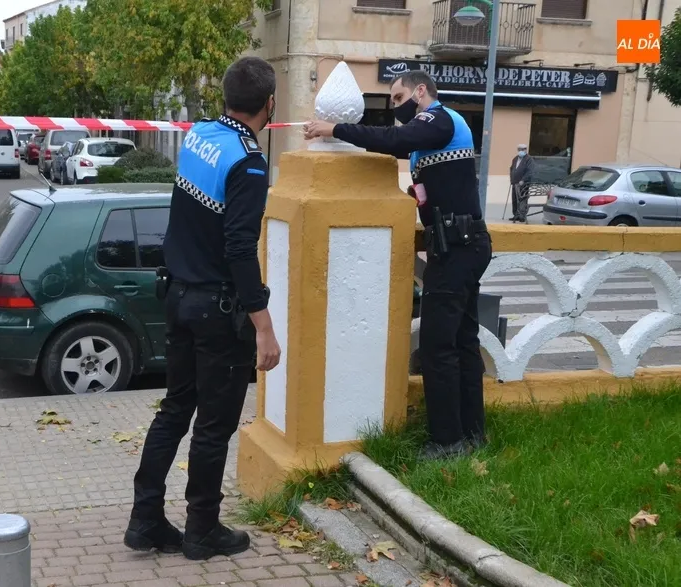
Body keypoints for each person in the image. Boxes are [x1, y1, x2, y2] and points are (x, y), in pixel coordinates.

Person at [124, 56, 282, 560]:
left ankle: (145, 519)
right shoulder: (249, 163)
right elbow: (239, 249)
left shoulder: (199, 137)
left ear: (226, 98)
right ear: (270, 105)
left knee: (174, 410)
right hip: (216, 310)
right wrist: (264, 326)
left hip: (176, 296)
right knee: (214, 425)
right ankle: (202, 530)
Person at [304, 69, 492, 460]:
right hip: (459, 245)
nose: (395, 106)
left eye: (398, 97)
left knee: (439, 347)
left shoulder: (439, 119)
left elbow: (393, 139)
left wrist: (334, 129)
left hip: (458, 248)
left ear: (420, 92)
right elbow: (397, 147)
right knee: (462, 342)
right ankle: (472, 434)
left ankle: (446, 442)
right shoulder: (431, 140)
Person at [510, 143, 535, 223]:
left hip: (524, 184)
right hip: (515, 182)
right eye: (519, 149)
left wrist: (523, 180)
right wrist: (512, 179)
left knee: (523, 199)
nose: (521, 151)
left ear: (525, 150)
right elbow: (512, 169)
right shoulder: (515, 159)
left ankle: (522, 216)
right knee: (514, 199)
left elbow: (530, 172)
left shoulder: (529, 159)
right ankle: (516, 215)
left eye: (523, 149)